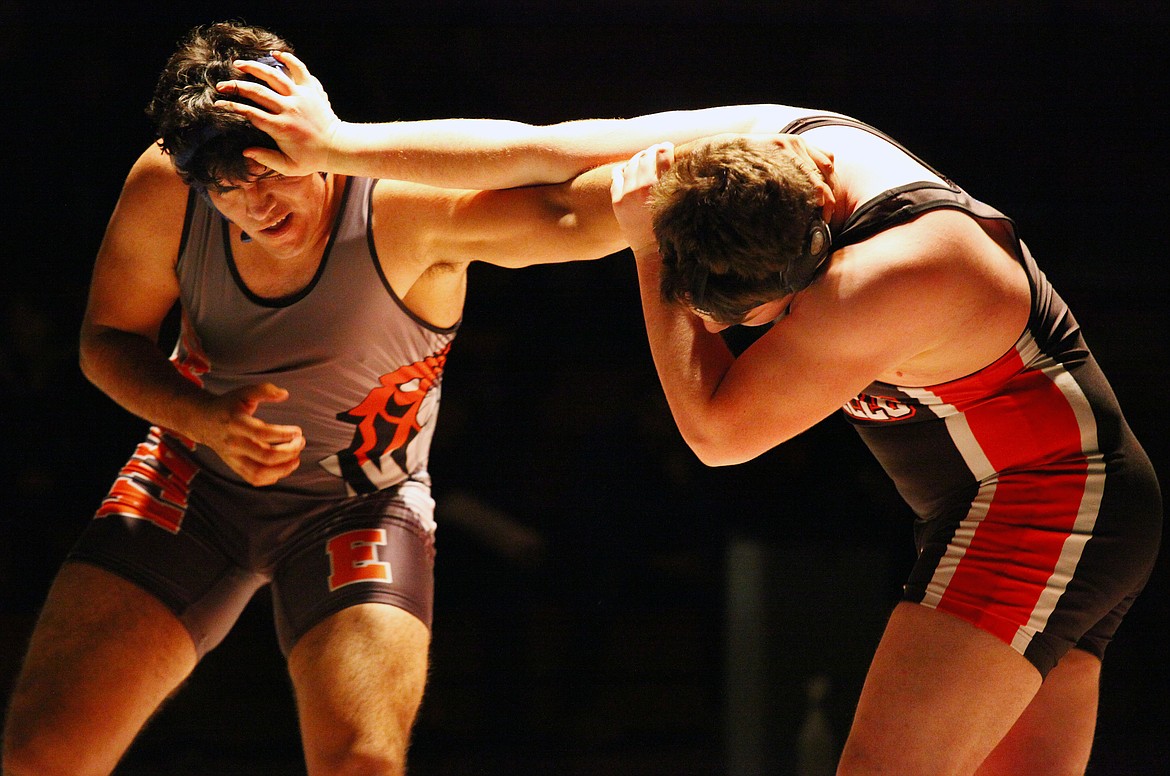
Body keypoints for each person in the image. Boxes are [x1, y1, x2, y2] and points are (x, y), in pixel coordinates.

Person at [0, 22, 812, 776]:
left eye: (272, 171)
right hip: (195, 479)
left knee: (364, 765)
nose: (260, 204)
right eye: (228, 190)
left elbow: (569, 202)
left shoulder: (401, 211)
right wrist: (197, 414)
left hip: (358, 505)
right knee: (41, 754)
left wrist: (749, 155)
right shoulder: (165, 188)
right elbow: (107, 340)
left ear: (307, 136)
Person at [606, 126, 1161, 772]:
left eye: (757, 319)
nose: (721, 331)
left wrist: (646, 249)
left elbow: (716, 434)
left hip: (1047, 505)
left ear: (806, 262)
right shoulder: (783, 163)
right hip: (1068, 509)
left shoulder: (881, 278)